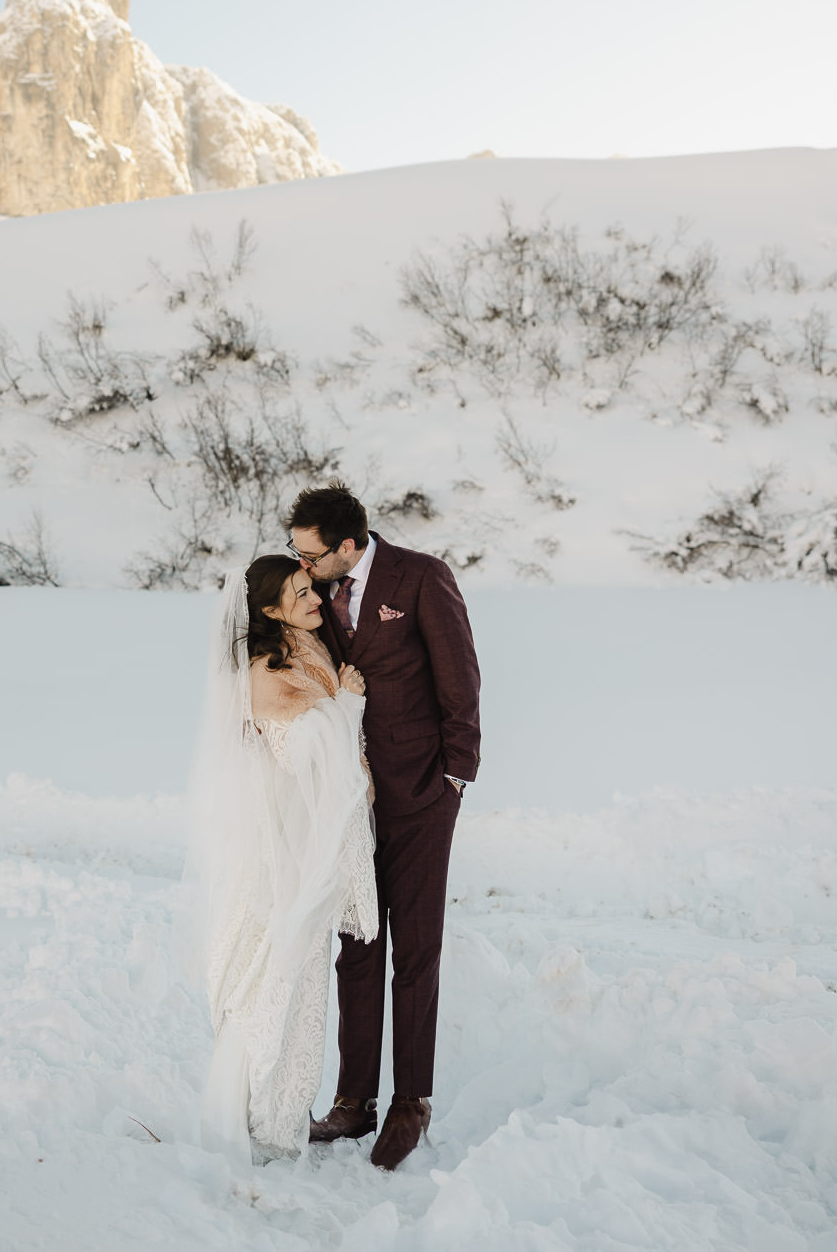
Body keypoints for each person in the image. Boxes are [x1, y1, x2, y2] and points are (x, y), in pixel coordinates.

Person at [287, 483, 481, 1172]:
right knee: (358, 946)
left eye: (310, 554)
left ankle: (411, 1102)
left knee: (417, 948)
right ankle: (354, 1100)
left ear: (347, 545)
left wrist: (456, 775)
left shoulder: (421, 578)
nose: (301, 566)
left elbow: (461, 678)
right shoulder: (315, 591)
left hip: (423, 793)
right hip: (350, 800)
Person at [194, 554, 379, 1163]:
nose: (314, 600)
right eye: (299, 593)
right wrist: (348, 706)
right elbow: (306, 757)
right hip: (284, 851)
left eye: (312, 588)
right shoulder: (270, 671)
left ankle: (277, 1114)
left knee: (295, 977)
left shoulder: (306, 649)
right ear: (270, 610)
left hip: (302, 843)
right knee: (274, 976)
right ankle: (255, 1118)